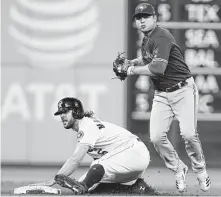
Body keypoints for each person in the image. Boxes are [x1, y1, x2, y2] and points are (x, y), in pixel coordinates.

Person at [115, 2, 211, 193]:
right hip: (162, 94)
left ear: (155, 18)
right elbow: (149, 58)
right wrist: (132, 61)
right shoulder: (147, 39)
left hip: (183, 90)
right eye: (138, 18)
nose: (142, 21)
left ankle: (200, 170)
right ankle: (178, 168)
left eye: (146, 17)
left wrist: (131, 69)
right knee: (157, 137)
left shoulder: (161, 36)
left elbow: (158, 68)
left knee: (189, 134)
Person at [33, 97, 151, 194]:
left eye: (66, 111)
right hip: (128, 159)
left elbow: (75, 160)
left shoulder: (87, 126)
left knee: (91, 173)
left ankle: (83, 187)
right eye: (60, 113)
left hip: (132, 152)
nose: (62, 115)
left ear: (76, 111)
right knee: (88, 183)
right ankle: (136, 189)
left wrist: (53, 180)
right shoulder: (86, 126)